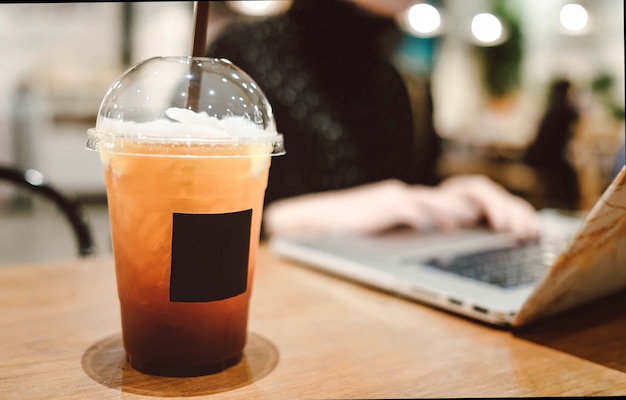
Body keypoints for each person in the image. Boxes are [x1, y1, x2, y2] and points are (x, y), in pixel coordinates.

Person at [207, 0, 540, 239]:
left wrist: (457, 194)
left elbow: (407, 192)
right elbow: (196, 214)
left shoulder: (403, 80)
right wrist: (321, 214)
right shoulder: (242, 52)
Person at [523, 79, 581, 210]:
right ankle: (569, 208)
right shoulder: (568, 110)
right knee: (571, 176)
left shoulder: (551, 108)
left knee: (564, 173)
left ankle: (555, 204)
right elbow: (576, 133)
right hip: (550, 157)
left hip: (535, 155)